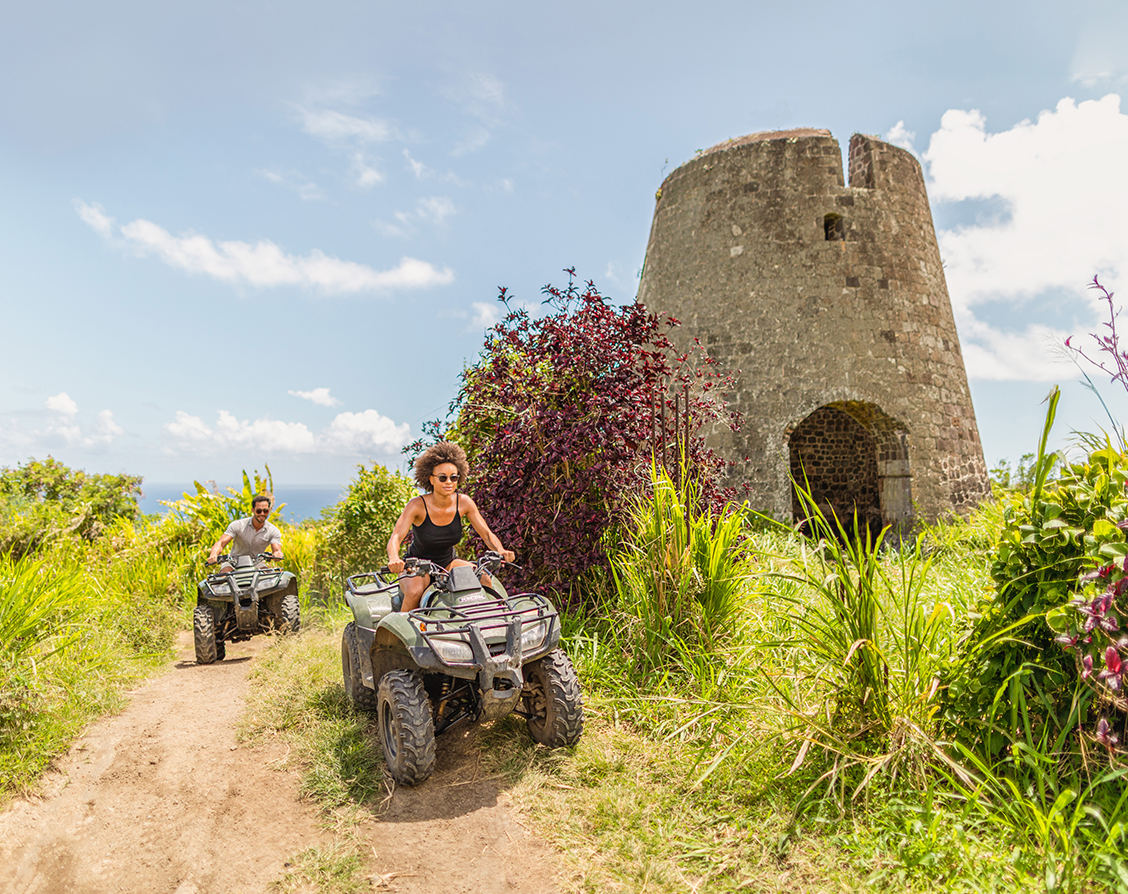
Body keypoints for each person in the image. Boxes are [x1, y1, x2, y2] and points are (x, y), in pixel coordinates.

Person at [387, 442, 514, 612]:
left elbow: (487, 534)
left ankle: (493, 625)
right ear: (431, 479)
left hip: (448, 563)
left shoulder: (464, 503)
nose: (449, 482)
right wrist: (394, 559)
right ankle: (399, 634)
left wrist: (501, 550)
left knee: (483, 578)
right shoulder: (417, 505)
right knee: (414, 592)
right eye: (443, 477)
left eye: (453, 477)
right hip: (418, 566)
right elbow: (396, 537)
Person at [207, 494, 283, 567]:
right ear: (253, 510)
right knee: (223, 576)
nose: (262, 513)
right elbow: (221, 543)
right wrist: (213, 555)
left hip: (257, 563)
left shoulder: (273, 530)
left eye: (265, 511)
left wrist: (277, 554)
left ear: (269, 510)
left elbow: (276, 549)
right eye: (259, 511)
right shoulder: (237, 525)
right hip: (234, 562)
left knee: (268, 578)